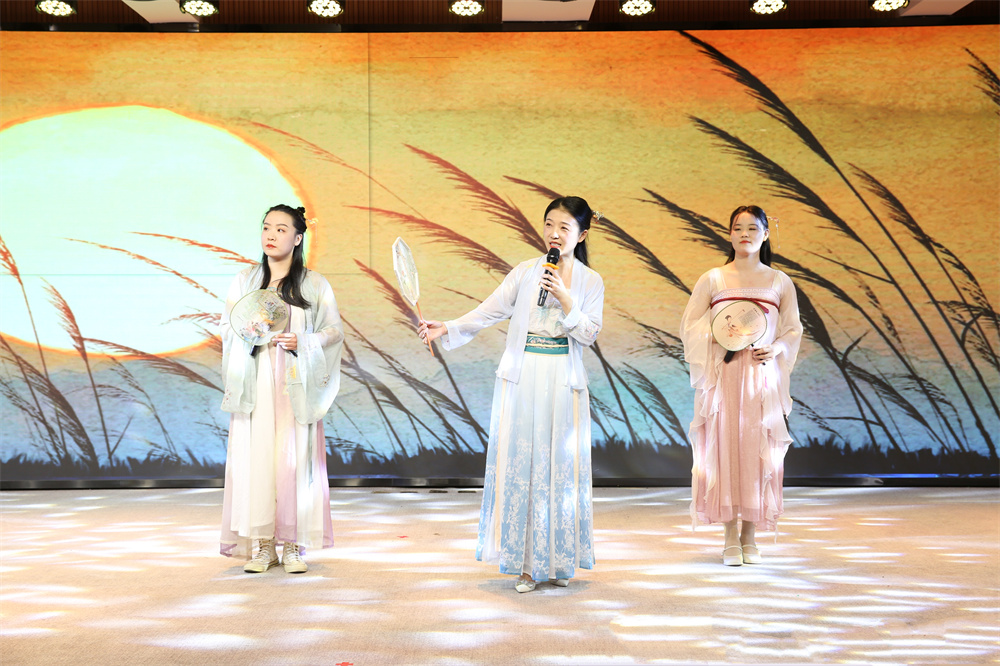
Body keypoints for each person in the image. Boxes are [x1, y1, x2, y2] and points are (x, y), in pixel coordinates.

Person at [419, 197, 604, 592]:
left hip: (562, 377)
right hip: (523, 376)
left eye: (565, 227)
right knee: (524, 465)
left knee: (560, 467)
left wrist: (566, 298)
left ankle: (558, 561)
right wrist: (447, 327)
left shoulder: (591, 281)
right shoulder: (525, 272)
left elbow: (589, 334)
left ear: (582, 235)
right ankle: (525, 563)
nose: (554, 233)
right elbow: (490, 310)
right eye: (549, 224)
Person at [219, 204, 344, 574]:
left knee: (293, 458)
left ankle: (292, 545)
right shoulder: (246, 281)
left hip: (294, 381)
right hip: (256, 379)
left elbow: (334, 331)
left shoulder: (313, 284)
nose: (271, 235)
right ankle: (262, 546)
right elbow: (227, 328)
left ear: (298, 238)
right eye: (266, 228)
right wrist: (251, 331)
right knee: (257, 457)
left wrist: (303, 341)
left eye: (281, 229)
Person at [679, 205, 802, 566]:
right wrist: (721, 334)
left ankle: (751, 534)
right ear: (730, 234)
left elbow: (793, 329)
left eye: (753, 228)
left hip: (761, 377)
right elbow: (690, 326)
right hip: (724, 377)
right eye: (738, 228)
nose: (745, 234)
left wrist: (776, 347)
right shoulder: (713, 279)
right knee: (723, 449)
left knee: (757, 450)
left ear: (766, 234)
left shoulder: (779, 281)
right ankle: (729, 535)